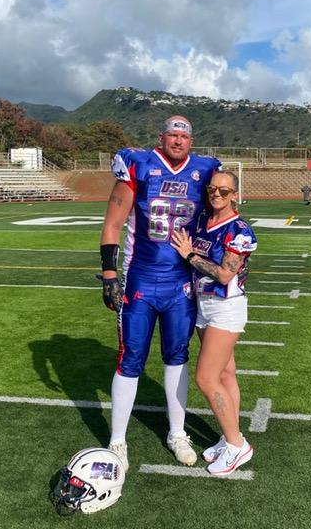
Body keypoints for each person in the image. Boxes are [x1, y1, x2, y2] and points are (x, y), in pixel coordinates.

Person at [98, 115, 222, 471]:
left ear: (191, 140)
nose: (178, 140)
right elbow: (112, 222)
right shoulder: (139, 164)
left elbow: (219, 217)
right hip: (140, 280)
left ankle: (177, 432)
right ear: (162, 137)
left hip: (181, 282)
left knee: (177, 356)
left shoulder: (205, 170)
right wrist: (109, 273)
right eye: (172, 135)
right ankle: (117, 440)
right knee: (130, 358)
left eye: (184, 135)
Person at [171, 171, 257, 477]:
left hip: (226, 307)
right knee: (225, 372)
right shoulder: (203, 221)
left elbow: (224, 275)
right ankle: (232, 435)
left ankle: (237, 446)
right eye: (212, 189)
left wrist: (189, 254)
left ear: (235, 193)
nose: (216, 194)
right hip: (203, 304)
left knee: (206, 379)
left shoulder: (239, 229)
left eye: (224, 190)